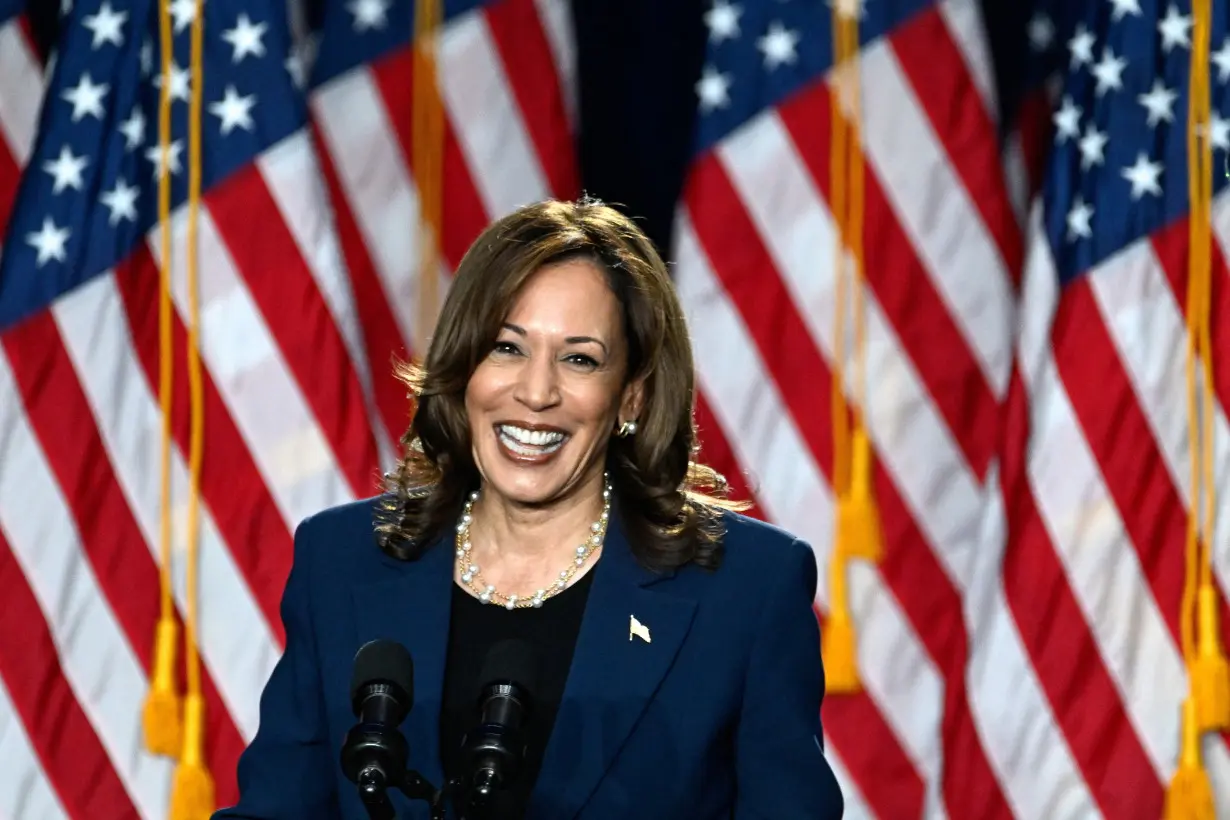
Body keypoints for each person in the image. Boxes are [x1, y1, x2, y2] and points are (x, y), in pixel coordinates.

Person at [211, 197, 844, 819]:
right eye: (507, 348)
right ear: (464, 367)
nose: (536, 392)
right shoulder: (343, 562)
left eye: (579, 359)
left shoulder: (745, 590)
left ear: (631, 396)